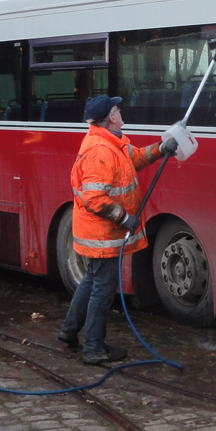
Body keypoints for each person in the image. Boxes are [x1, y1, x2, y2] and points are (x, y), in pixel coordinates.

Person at [59, 95, 179, 365]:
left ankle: (69, 331)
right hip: (102, 235)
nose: (121, 112)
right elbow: (94, 198)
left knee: (92, 281)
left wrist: (162, 148)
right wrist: (125, 218)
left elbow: (134, 159)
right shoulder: (100, 151)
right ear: (111, 117)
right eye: (118, 109)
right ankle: (93, 348)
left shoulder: (113, 143)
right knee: (102, 289)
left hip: (101, 232)